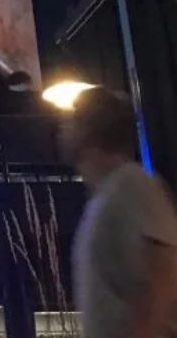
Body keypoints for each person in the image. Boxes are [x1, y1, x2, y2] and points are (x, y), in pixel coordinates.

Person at [61, 88, 177, 338]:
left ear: (89, 128)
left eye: (72, 118)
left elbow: (165, 273)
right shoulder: (105, 196)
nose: (62, 127)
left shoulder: (132, 184)